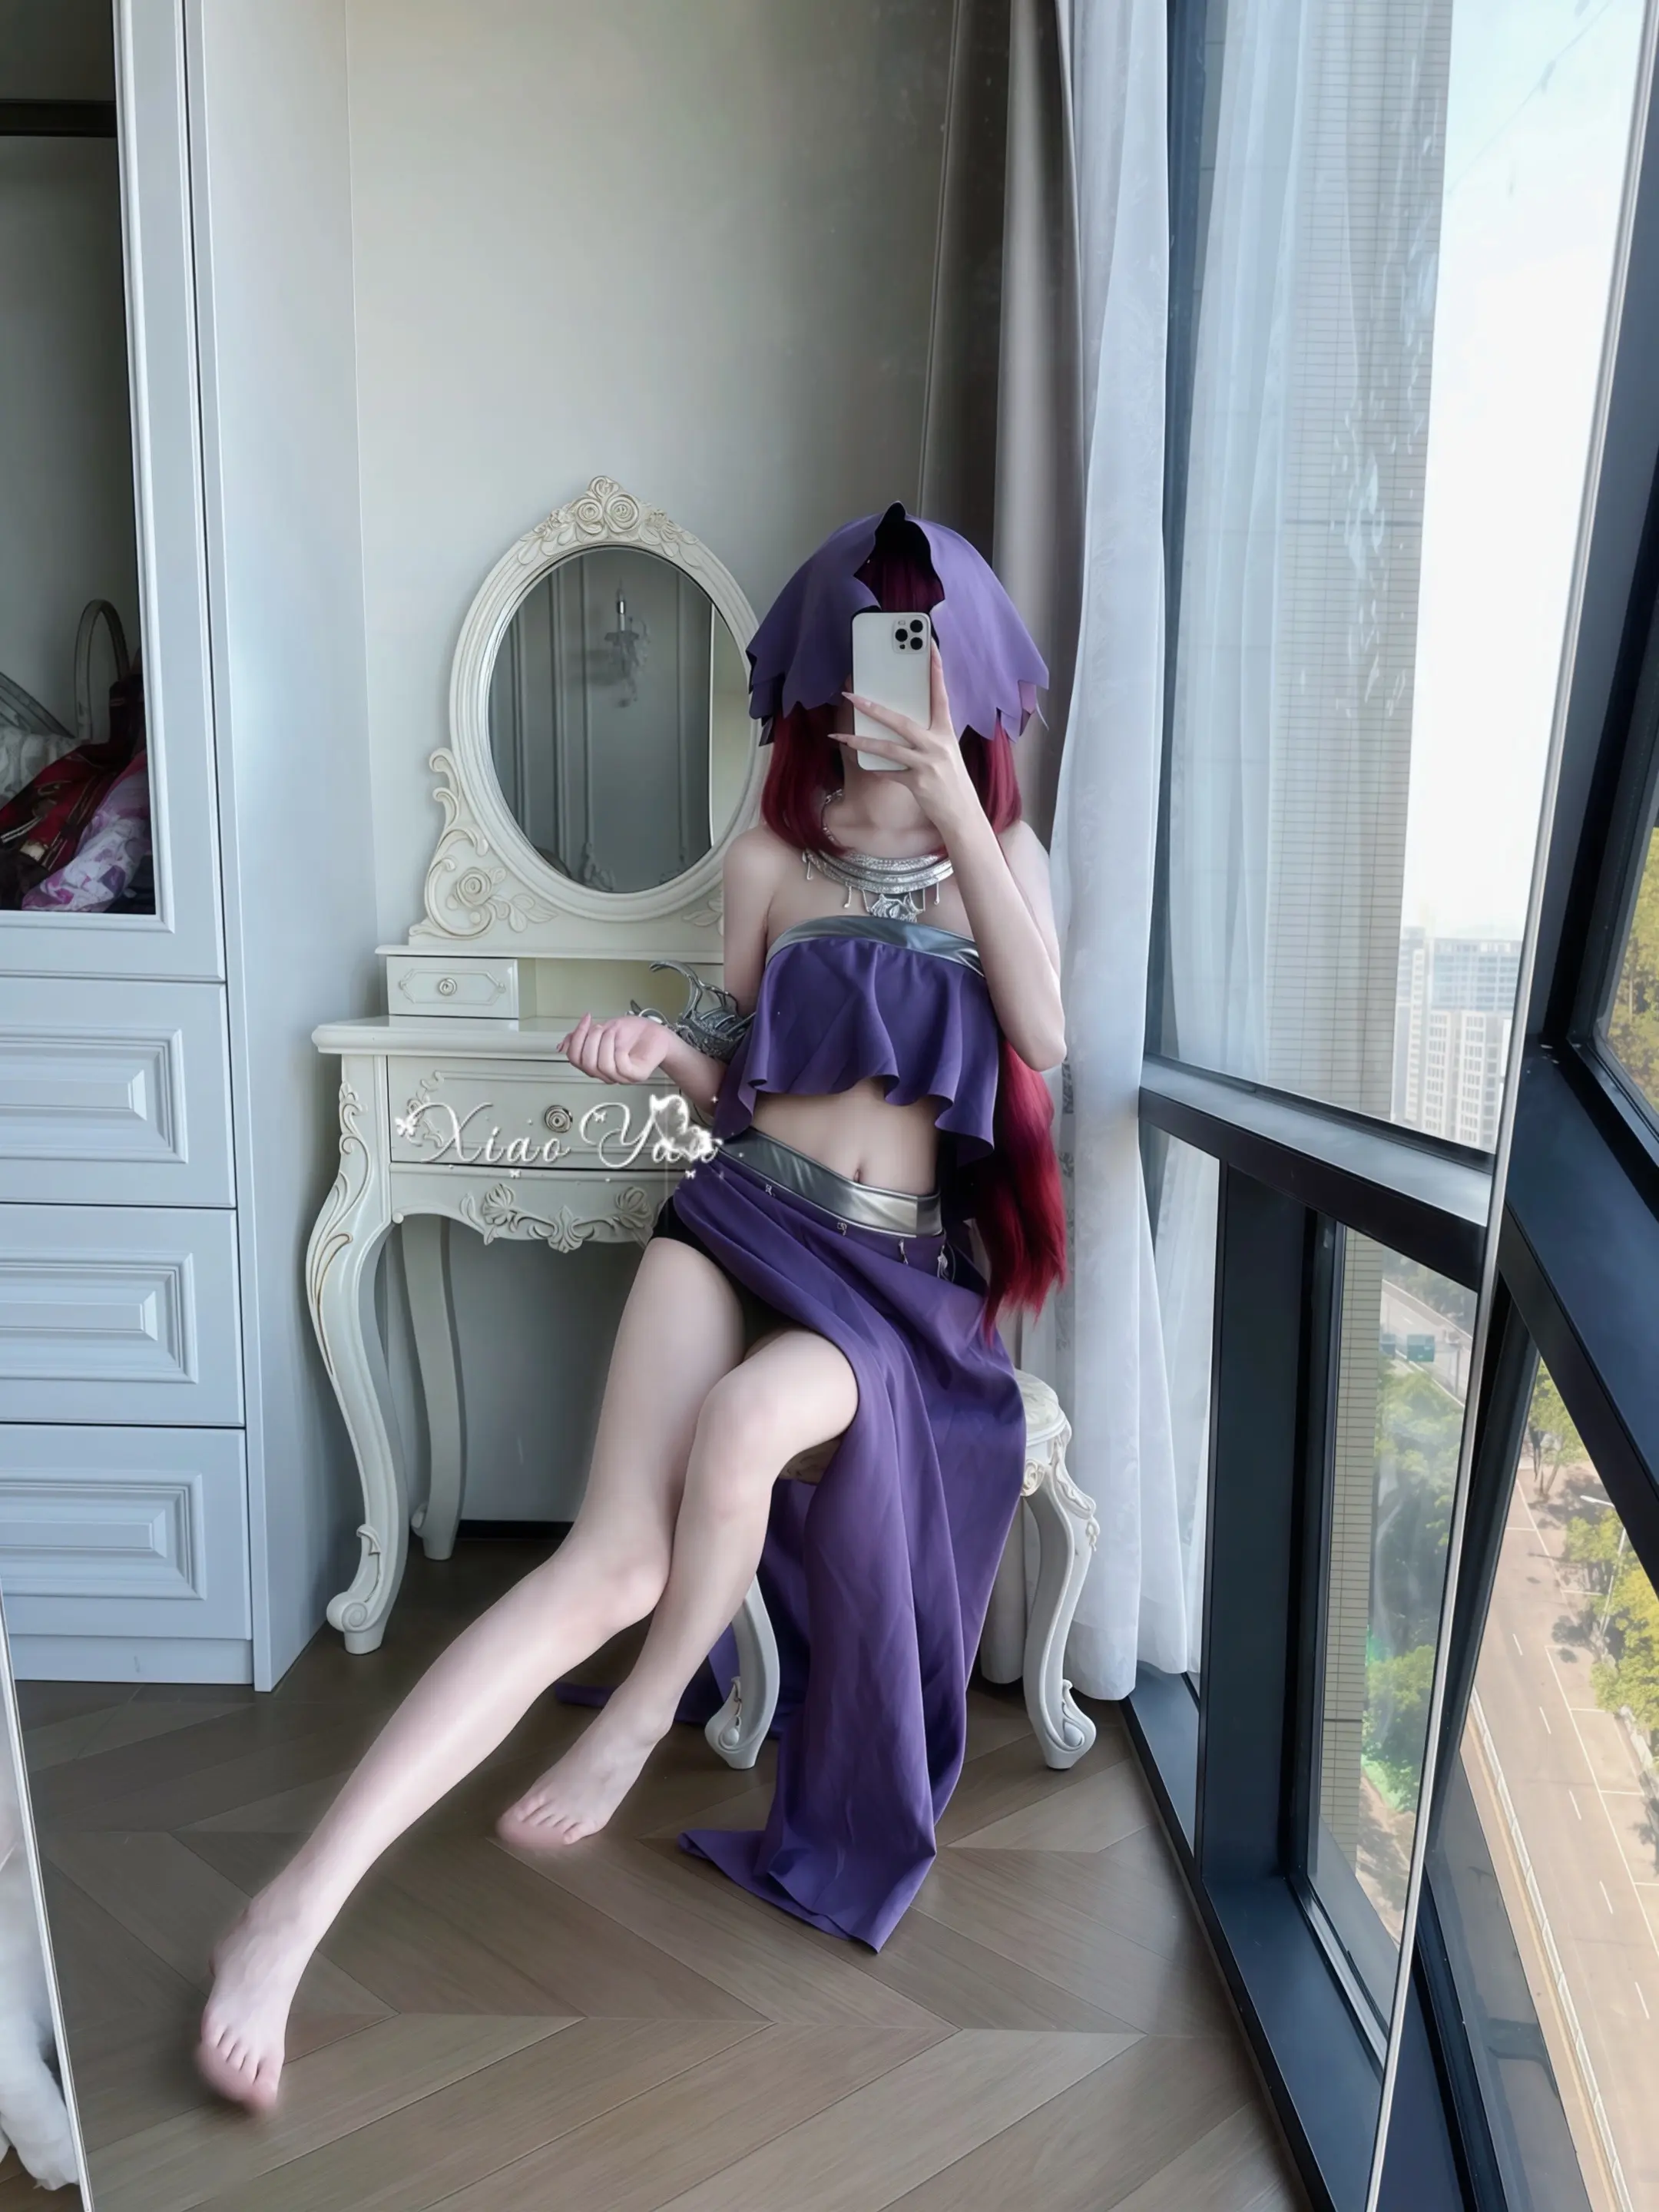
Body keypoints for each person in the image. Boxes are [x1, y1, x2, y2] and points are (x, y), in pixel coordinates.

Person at [195, 502, 1067, 2111]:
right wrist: (661, 1055)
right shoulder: (769, 863)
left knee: (746, 1424)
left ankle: (652, 1707)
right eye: (855, 657)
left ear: (965, 681)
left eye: (914, 656)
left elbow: (1047, 1035)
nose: (877, 690)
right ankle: (288, 1913)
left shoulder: (1000, 867)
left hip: (897, 1291)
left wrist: (956, 802)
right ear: (812, 681)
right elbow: (739, 1082)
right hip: (741, 1221)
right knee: (608, 1559)